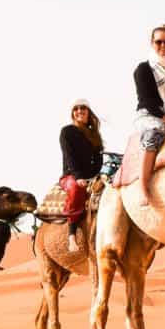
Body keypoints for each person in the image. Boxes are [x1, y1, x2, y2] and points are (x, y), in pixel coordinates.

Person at [133, 23, 165, 196]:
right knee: (155, 131)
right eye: (158, 42)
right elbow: (147, 100)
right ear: (152, 43)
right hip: (149, 115)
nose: (162, 46)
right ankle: (143, 185)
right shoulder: (143, 69)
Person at [58, 99, 103, 249]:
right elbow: (69, 156)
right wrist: (78, 177)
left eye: (83, 108)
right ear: (72, 113)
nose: (79, 111)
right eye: (76, 109)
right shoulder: (67, 132)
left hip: (90, 176)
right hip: (71, 175)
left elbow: (98, 159)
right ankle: (72, 235)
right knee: (76, 189)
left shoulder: (94, 135)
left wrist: (97, 176)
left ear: (89, 113)